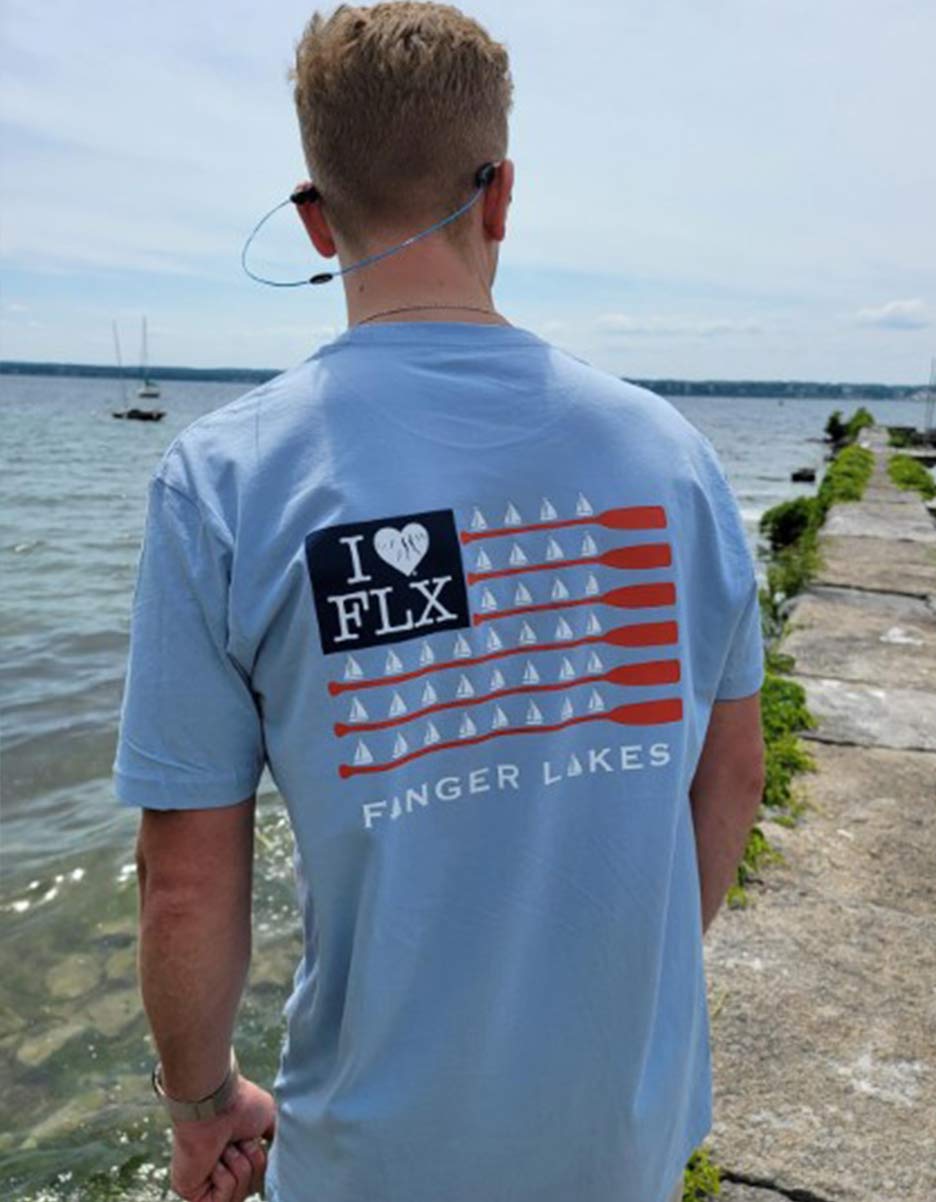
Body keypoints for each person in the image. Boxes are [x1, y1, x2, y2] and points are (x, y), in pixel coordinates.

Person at [114, 4, 766, 1202]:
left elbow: (187, 879)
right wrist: (628, 1005)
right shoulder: (672, 456)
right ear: (500, 195)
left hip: (375, 1158)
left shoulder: (225, 481)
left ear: (316, 218)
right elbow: (728, 773)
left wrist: (203, 1102)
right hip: (625, 1129)